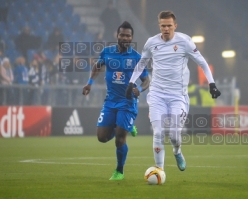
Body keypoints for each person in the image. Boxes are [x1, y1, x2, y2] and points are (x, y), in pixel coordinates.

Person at [125, 11, 221, 172]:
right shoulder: (151, 43)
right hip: (157, 95)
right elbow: (141, 64)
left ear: (175, 26)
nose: (166, 29)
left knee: (175, 135)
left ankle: (177, 151)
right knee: (158, 133)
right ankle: (159, 170)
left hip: (178, 96)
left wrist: (212, 84)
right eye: (163, 25)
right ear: (159, 26)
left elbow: (202, 63)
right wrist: (130, 82)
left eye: (169, 25)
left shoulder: (185, 42)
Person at [82, 21, 150, 180]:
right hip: (110, 102)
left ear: (132, 38)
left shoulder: (137, 58)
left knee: (120, 138)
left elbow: (147, 80)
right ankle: (126, 126)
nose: (125, 38)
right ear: (117, 36)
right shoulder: (107, 52)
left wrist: (139, 89)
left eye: (128, 35)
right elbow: (97, 67)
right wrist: (89, 83)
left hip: (128, 102)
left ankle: (119, 171)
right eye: (122, 35)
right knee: (102, 137)